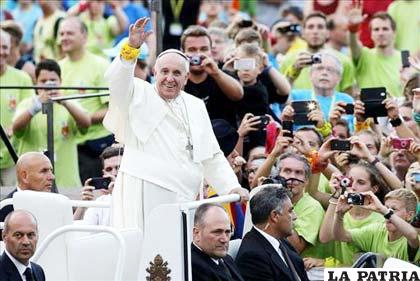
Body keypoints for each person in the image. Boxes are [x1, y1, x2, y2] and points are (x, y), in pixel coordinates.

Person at [103, 17, 249, 230]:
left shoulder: (196, 105)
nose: (170, 78)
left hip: (186, 198)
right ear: (155, 73)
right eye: (164, 72)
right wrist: (131, 48)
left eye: (177, 73)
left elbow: (211, 155)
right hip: (144, 194)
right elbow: (117, 83)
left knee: (179, 255)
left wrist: (231, 187)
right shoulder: (137, 93)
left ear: (186, 78)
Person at [12, 59, 91, 189]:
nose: (49, 85)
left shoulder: (69, 103)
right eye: (43, 81)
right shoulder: (27, 104)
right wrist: (35, 107)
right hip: (34, 185)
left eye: (53, 81)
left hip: (66, 183)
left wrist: (64, 101)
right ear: (36, 83)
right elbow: (16, 128)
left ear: (61, 81)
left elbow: (86, 123)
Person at [58, 16, 112, 183]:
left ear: (84, 36)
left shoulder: (100, 65)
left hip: (96, 145)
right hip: (67, 145)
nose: (64, 38)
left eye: (69, 33)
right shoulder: (58, 67)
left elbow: (115, 109)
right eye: (61, 34)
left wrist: (86, 118)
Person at [235, 185, 309, 281]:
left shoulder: (281, 241)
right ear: (274, 216)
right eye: (290, 211)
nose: (295, 217)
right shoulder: (252, 256)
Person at [333, 188, 420, 263]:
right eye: (386, 207)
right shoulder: (376, 230)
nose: (387, 213)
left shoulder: (411, 238)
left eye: (394, 209)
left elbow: (412, 236)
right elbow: (341, 236)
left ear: (410, 215)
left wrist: (384, 210)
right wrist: (339, 214)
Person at [182, 25, 244, 128]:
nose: (198, 54)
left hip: (221, 139)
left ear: (211, 51)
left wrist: (216, 73)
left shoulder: (220, 74)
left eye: (204, 49)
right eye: (192, 50)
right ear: (183, 52)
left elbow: (238, 95)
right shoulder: (178, 76)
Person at [281, 12, 355, 94]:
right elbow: (280, 93)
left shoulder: (343, 60)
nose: (315, 31)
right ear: (303, 33)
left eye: (320, 27)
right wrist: (294, 69)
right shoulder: (289, 59)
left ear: (327, 33)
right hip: (297, 106)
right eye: (310, 27)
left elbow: (348, 98)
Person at [287, 51, 355, 132]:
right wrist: (293, 72)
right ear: (310, 74)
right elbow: (281, 94)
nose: (324, 73)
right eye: (319, 68)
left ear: (339, 77)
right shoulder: (297, 96)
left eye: (330, 70)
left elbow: (351, 131)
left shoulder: (346, 100)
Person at [0, 30, 34, 187]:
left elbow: (29, 108)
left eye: (5, 47)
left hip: (13, 154)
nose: (2, 52)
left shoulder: (22, 78)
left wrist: (13, 127)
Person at [348, 5, 402, 98]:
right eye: (376, 29)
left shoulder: (405, 59)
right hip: (369, 110)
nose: (380, 33)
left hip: (396, 110)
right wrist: (353, 29)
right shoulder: (364, 55)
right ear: (371, 34)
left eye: (385, 29)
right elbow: (353, 45)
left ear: (394, 32)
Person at [191, 203, 244, 281]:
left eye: (227, 232)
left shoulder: (226, 259)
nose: (224, 239)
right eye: (217, 232)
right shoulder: (193, 267)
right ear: (197, 233)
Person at [0, 152, 54, 227]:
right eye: (44, 171)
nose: (52, 177)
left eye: (51, 171)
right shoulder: (4, 208)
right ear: (24, 176)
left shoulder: (55, 204)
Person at [73, 145, 123, 225]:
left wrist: (116, 195)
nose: (114, 173)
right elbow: (74, 230)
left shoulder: (138, 196)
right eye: (109, 169)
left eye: (118, 168)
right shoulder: (100, 202)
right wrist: (83, 204)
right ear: (104, 173)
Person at [0, 210, 46, 281]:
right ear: (4, 236)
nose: (26, 242)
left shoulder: (38, 271)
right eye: (18, 235)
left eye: (30, 235)